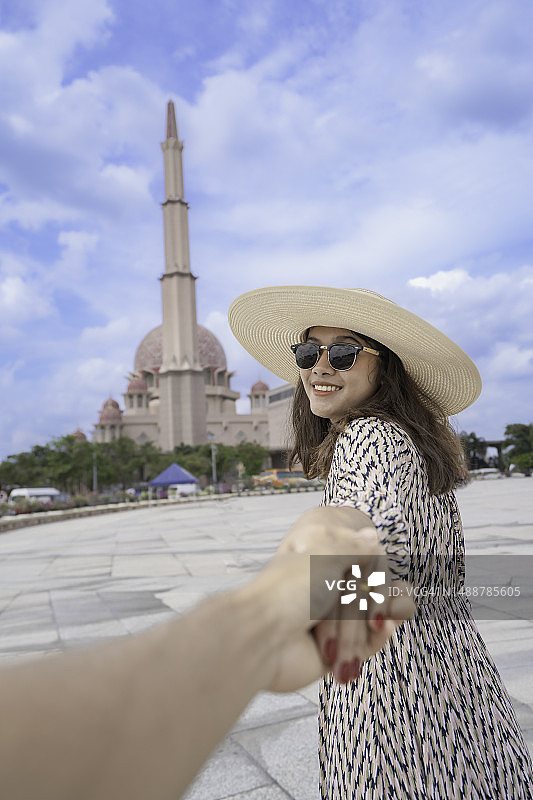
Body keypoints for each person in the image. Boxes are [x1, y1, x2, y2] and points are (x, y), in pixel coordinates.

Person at [229, 285, 533, 799]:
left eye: (343, 353)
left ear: (385, 366)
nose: (319, 367)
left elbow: (366, 535)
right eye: (308, 352)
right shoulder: (404, 436)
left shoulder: (369, 438)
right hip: (445, 669)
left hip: (388, 689)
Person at [0, 505, 414, 800]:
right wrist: (263, 621)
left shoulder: (369, 432)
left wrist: (318, 536)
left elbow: (368, 515)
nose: (317, 378)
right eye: (304, 373)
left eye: (341, 371)